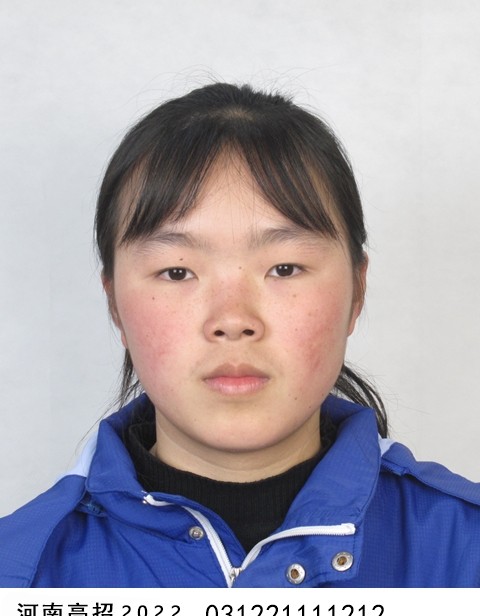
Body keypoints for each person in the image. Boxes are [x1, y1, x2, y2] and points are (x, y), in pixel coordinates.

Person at [1, 82, 479, 588]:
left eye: (285, 268)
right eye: (177, 272)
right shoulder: (19, 573)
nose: (232, 319)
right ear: (115, 302)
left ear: (356, 291)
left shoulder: (464, 555)